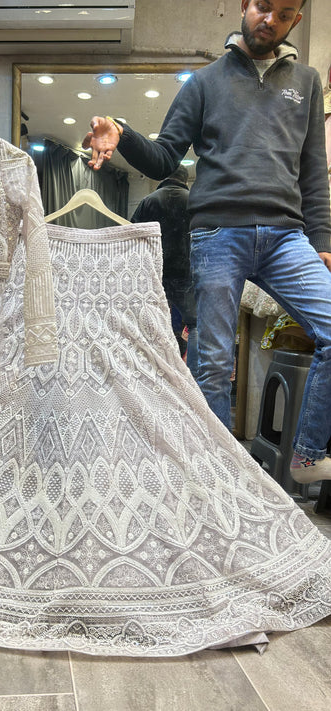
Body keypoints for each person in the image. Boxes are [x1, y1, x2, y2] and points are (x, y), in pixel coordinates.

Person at [83, 0, 331, 485]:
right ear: (244, 5)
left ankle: (306, 456)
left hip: (286, 235)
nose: (269, 19)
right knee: (214, 363)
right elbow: (163, 158)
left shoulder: (307, 83)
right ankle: (216, 483)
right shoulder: (204, 83)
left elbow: (313, 174)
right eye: (262, 6)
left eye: (283, 13)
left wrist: (322, 239)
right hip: (219, 231)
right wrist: (124, 134)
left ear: (295, 20)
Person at [131, 164, 198, 379]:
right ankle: (192, 379)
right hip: (187, 273)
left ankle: (150, 375)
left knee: (149, 325)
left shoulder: (149, 201)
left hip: (154, 273)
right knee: (195, 325)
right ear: (185, 180)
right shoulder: (195, 202)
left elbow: (132, 235)